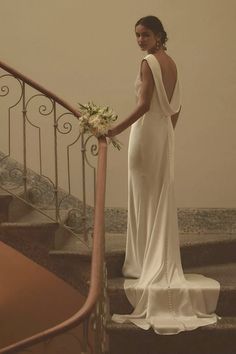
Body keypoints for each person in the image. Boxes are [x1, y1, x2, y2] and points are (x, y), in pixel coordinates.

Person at [108, 16, 220, 334]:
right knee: (155, 195)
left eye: (145, 35)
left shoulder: (148, 62)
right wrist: (165, 134)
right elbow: (176, 106)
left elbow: (144, 105)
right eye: (137, 35)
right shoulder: (171, 63)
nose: (140, 40)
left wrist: (115, 128)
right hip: (162, 135)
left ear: (158, 35)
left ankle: (142, 263)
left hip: (145, 135)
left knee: (142, 195)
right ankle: (147, 260)